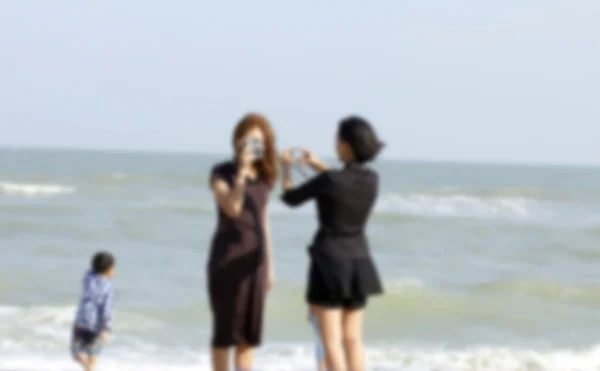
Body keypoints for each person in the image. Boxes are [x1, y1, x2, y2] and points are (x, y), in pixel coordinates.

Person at [280, 116, 384, 371]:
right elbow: (342, 185)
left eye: (337, 139)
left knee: (331, 342)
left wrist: (285, 168)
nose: (335, 143)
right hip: (359, 262)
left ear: (346, 145)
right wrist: (319, 166)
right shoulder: (372, 179)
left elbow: (290, 198)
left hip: (329, 263)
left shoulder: (330, 180)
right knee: (353, 339)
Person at [207, 112, 278, 371]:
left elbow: (265, 221)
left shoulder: (265, 178)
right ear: (237, 141)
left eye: (259, 141)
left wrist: (270, 266)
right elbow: (233, 209)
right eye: (248, 140)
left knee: (248, 340)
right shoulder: (220, 172)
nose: (253, 146)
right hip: (227, 261)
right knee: (224, 337)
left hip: (255, 263)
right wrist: (240, 173)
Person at [71, 251, 116, 371]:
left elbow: (92, 271)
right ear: (108, 269)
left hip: (81, 322)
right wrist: (105, 328)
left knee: (76, 351)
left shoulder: (87, 278)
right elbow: (106, 309)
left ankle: (87, 367)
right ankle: (90, 368)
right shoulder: (108, 287)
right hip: (95, 326)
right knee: (93, 353)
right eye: (113, 268)